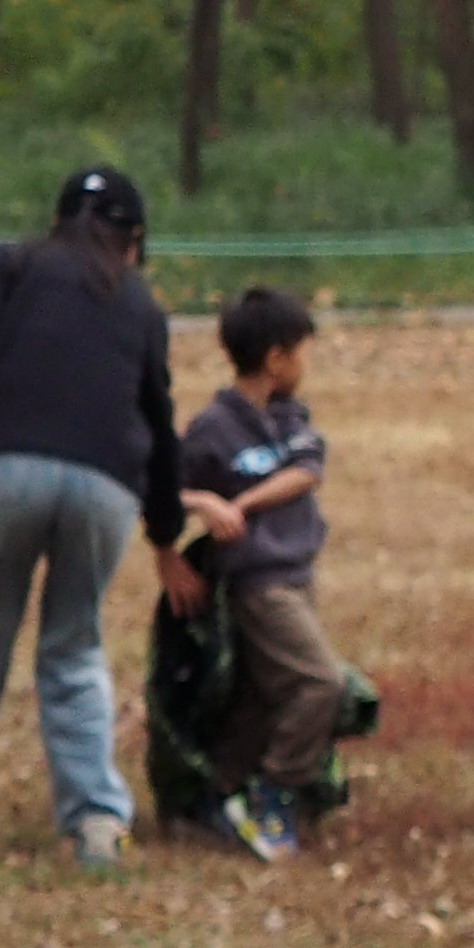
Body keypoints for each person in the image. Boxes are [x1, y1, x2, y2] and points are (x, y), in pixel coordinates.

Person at [0, 167, 198, 868]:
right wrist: (164, 532)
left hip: (2, 468)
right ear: (133, 238)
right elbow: (158, 419)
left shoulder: (11, 264)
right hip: (105, 486)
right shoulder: (141, 305)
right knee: (73, 644)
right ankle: (94, 823)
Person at [177, 286, 346, 864]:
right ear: (277, 359)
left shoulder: (290, 419)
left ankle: (217, 794)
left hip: (296, 573)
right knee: (321, 682)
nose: (305, 364)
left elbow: (307, 473)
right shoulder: (212, 429)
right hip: (258, 584)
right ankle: (273, 791)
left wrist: (241, 505)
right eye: (300, 352)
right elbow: (163, 493)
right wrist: (203, 501)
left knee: (261, 694)